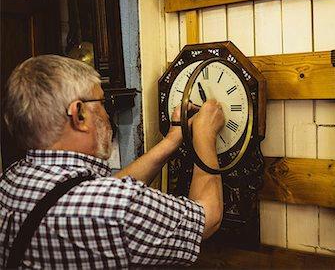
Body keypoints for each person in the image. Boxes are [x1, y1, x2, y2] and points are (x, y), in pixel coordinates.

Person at [0, 55, 225, 268]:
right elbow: (207, 219)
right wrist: (205, 135)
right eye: (102, 102)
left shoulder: (10, 179)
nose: (107, 115)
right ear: (79, 114)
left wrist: (172, 139)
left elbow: (94, 193)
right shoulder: (116, 206)